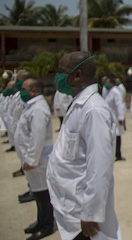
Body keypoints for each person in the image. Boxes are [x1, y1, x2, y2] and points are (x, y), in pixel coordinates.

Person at [47, 51, 121, 239]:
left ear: (77, 75)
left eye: (61, 71)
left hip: (82, 212)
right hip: (70, 205)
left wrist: (91, 213)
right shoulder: (79, 104)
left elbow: (100, 166)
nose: (58, 76)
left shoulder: (94, 110)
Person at [13, 78, 56, 240]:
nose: (21, 93)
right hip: (35, 161)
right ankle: (40, 221)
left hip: (39, 161)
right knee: (38, 194)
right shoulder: (32, 106)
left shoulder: (38, 109)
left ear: (33, 91)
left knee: (43, 195)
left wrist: (31, 160)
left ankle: (47, 225)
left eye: (24, 89)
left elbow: (37, 138)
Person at [104, 76, 126, 161]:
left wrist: (121, 118)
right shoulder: (110, 91)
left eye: (108, 82)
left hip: (116, 119)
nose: (106, 84)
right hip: (110, 118)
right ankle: (114, 154)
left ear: (112, 83)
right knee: (113, 137)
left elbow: (119, 105)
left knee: (117, 136)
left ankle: (118, 154)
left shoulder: (116, 92)